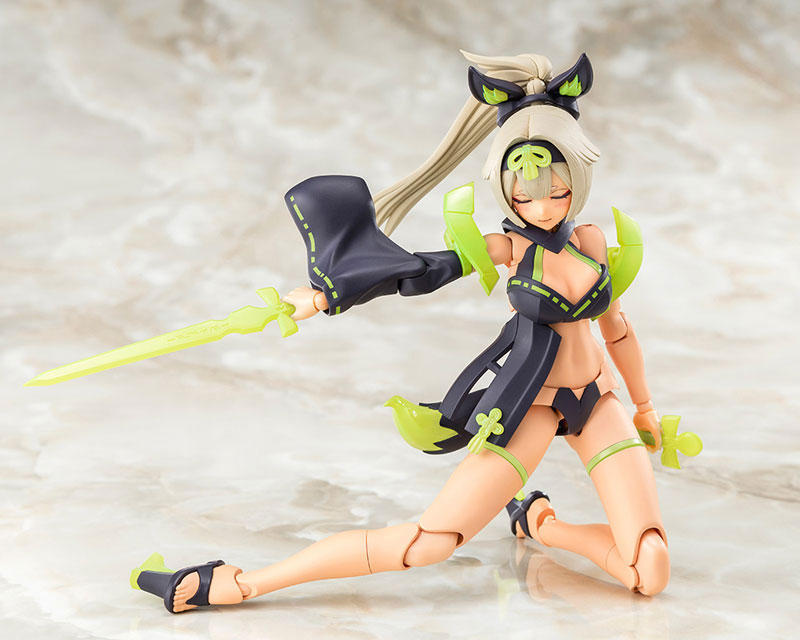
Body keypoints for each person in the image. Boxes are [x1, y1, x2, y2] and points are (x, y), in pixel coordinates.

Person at [131, 50, 670, 614]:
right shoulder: (509, 247)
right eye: (524, 194)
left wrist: (644, 405)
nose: (541, 206)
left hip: (598, 401)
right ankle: (241, 582)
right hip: (529, 405)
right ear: (504, 189)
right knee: (428, 544)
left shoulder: (591, 242)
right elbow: (424, 270)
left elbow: (617, 329)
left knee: (649, 568)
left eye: (556, 191)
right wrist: (328, 295)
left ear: (577, 178)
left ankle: (541, 521)